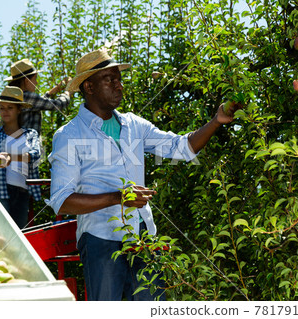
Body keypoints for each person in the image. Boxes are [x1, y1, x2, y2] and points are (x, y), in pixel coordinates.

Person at [47, 48, 241, 301]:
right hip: (100, 240)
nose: (119, 86)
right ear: (89, 87)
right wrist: (118, 197)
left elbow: (181, 147)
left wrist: (216, 121)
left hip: (143, 237)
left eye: (119, 79)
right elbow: (61, 201)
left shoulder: (134, 125)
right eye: (110, 80)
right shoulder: (69, 135)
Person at [0, 86, 41, 230]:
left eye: (10, 108)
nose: (5, 111)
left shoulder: (30, 134)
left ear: (19, 110)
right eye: (2, 108)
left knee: (19, 233)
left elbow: (35, 155)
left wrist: (11, 157)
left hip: (22, 192)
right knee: (0, 231)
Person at [4, 58, 72, 134]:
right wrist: (68, 92)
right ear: (27, 81)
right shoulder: (27, 96)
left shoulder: (16, 97)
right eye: (35, 79)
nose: (36, 83)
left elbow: (38, 103)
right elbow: (58, 104)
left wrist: (53, 91)